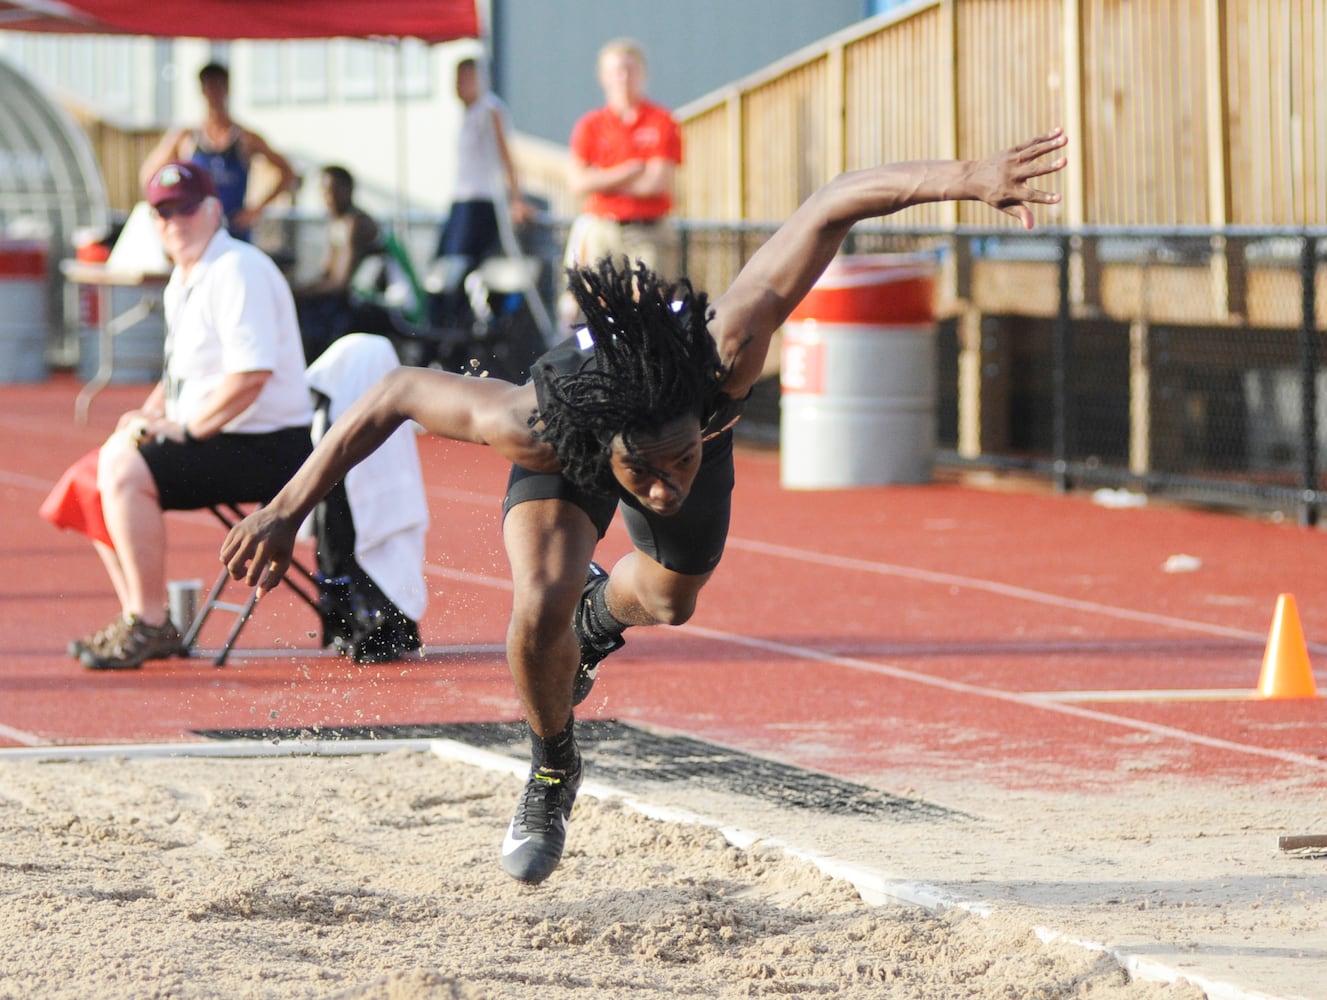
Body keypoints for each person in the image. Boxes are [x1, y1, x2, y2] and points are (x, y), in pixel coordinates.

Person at [220, 129, 1069, 884]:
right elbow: (393, 391)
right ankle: (552, 768)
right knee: (532, 611)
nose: (666, 487)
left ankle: (599, 620)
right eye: (649, 476)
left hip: (666, 410)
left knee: (669, 598)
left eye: (679, 463)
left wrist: (969, 176)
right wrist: (288, 509)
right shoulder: (530, 423)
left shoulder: (727, 351)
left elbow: (831, 203)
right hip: (576, 440)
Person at [71, 160, 314, 671]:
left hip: (268, 445)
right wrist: (146, 414)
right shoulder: (187, 277)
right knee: (91, 474)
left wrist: (182, 428)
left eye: (185, 208)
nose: (173, 221)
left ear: (213, 210)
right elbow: (182, 375)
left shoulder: (237, 269)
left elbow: (251, 377)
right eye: (162, 212)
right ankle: (139, 612)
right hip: (222, 436)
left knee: (122, 471)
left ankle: (151, 621)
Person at [559, 38, 682, 329]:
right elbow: (577, 182)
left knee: (649, 310)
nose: (623, 77)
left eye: (630, 69)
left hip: (647, 231)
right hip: (603, 228)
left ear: (643, 73)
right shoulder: (590, 125)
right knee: (597, 308)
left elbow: (654, 183)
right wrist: (628, 171)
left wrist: (600, 179)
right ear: (603, 76)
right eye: (616, 70)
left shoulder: (661, 121)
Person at [140, 62, 299, 243]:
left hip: (235, 229)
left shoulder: (245, 138)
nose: (214, 93)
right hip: (199, 231)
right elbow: (150, 176)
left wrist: (256, 210)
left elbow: (288, 173)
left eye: (219, 86)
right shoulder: (187, 138)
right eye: (210, 86)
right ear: (202, 91)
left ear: (228, 88)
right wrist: (172, 209)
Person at [430, 56, 532, 330]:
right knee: (442, 269)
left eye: (465, 79)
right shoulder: (468, 114)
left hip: (480, 202)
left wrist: (515, 198)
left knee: (459, 267)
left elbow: (506, 157)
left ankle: (460, 329)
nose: (458, 86)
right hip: (461, 199)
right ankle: (442, 327)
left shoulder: (490, 110)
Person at [293, 165, 383, 363]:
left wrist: (297, 293)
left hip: (372, 303)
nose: (329, 197)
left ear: (349, 190)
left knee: (310, 316)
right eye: (324, 191)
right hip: (350, 299)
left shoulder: (356, 223)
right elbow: (327, 273)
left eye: (334, 190)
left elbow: (340, 283)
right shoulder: (336, 221)